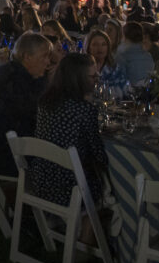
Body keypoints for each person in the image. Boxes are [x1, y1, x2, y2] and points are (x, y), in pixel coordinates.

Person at [31, 53, 109, 245]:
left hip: (41, 180)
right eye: (93, 76)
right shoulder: (84, 110)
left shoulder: (45, 102)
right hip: (70, 188)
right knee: (112, 184)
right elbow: (100, 157)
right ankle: (91, 236)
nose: (97, 79)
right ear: (78, 78)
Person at [0, 32, 52, 177]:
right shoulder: (16, 81)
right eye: (44, 57)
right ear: (27, 57)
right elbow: (34, 117)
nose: (48, 62)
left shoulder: (10, 71)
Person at [85, 29, 129, 98]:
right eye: (95, 44)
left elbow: (125, 92)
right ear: (89, 47)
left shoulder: (116, 69)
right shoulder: (82, 69)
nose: (100, 48)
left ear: (108, 47)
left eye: (103, 44)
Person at [114, 22, 155, 87]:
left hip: (128, 91)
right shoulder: (148, 56)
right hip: (146, 91)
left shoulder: (122, 56)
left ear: (124, 36)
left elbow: (118, 81)